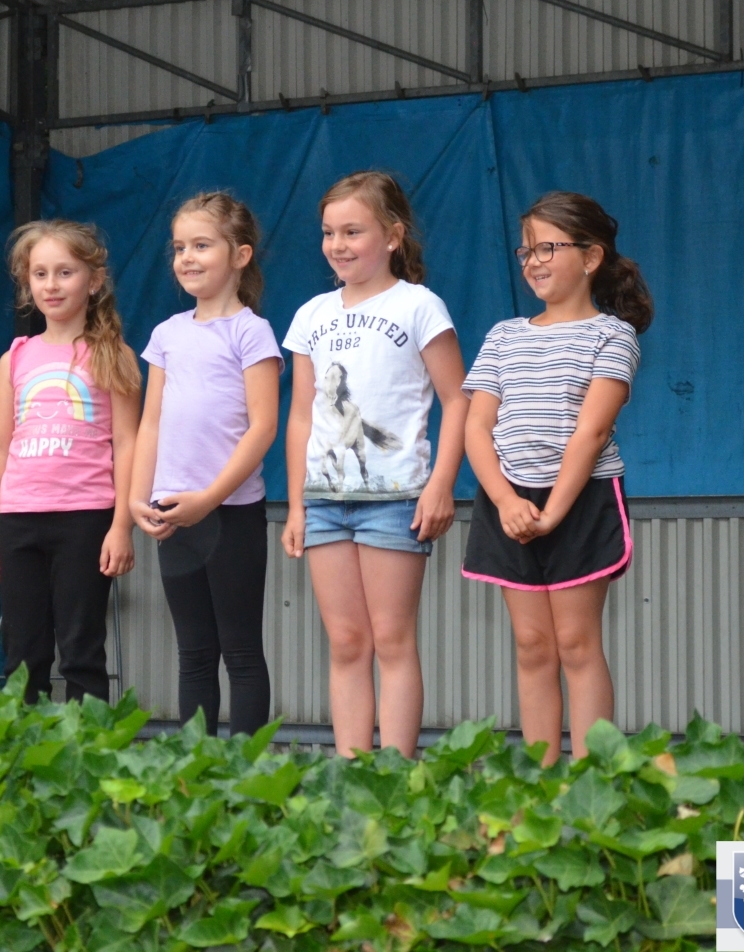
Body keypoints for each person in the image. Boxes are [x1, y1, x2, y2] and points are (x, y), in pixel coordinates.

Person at [281, 171, 469, 757]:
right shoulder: (311, 314)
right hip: (323, 502)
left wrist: (440, 485)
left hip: (395, 500)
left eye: (352, 231)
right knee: (345, 642)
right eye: (328, 232)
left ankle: (398, 774)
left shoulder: (419, 305)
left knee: (391, 639)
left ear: (392, 236)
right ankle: (351, 769)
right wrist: (296, 505)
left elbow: (459, 399)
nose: (337, 244)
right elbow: (301, 417)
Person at [460, 191, 652, 764]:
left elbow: (591, 432)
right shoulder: (503, 335)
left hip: (580, 499)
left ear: (591, 257)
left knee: (575, 643)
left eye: (547, 248)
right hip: (509, 502)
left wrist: (553, 513)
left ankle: (593, 778)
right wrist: (505, 500)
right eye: (526, 251)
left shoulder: (612, 336)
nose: (533, 261)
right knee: (532, 645)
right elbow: (476, 427)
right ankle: (539, 780)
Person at [130, 192, 282, 737]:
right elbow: (150, 423)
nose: (187, 258)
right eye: (179, 248)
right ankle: (196, 768)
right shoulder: (166, 334)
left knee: (240, 650)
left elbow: (263, 426)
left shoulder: (250, 331)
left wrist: (210, 498)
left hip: (231, 513)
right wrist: (136, 497)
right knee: (193, 652)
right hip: (174, 511)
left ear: (240, 255)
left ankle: (244, 771)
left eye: (201, 245)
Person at [0, 221, 141, 703]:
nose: (51, 284)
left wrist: (121, 526)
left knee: (81, 651)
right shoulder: (14, 358)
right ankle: (25, 746)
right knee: (23, 657)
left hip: (85, 518)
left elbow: (128, 443)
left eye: (65, 272)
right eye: (40, 273)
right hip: (19, 519)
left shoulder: (114, 355)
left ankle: (87, 744)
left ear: (95, 280)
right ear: (27, 283)